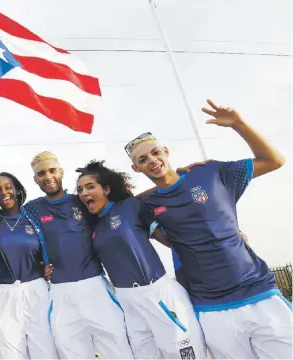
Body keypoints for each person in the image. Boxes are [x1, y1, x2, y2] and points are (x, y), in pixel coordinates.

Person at [127, 99, 292, 358]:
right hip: (210, 308)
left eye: (156, 153)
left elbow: (274, 160)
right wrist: (169, 182)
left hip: (260, 295)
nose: (152, 160)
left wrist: (239, 124)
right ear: (135, 168)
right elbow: (124, 206)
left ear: (166, 151)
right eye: (143, 159)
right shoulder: (146, 205)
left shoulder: (211, 173)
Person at [76, 160, 207, 358]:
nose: (84, 193)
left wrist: (173, 177)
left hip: (158, 293)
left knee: (184, 354)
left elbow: (171, 240)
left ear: (107, 189)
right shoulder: (92, 225)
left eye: (90, 187)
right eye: (80, 189)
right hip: (127, 301)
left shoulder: (131, 207)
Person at [23, 151, 134, 359]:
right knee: (71, 352)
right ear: (35, 179)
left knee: (117, 348)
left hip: (94, 286)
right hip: (60, 292)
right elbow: (15, 235)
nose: (48, 177)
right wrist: (38, 266)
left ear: (61, 171)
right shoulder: (32, 209)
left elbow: (122, 204)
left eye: (52, 170)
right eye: (41, 173)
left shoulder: (82, 200)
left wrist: (178, 178)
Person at [0, 172, 58, 359]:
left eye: (8, 187)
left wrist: (49, 267)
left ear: (17, 190)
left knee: (45, 352)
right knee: (8, 353)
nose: (4, 192)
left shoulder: (33, 217)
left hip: (37, 291)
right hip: (4, 293)